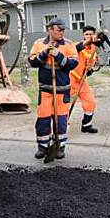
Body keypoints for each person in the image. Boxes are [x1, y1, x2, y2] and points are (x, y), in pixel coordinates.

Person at [28, 18, 78, 159]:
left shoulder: (68, 45)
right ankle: (43, 146)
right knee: (43, 119)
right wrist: (44, 53)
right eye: (59, 30)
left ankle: (60, 146)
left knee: (61, 120)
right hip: (45, 90)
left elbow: (72, 64)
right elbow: (33, 62)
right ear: (50, 29)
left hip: (62, 90)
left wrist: (58, 55)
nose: (62, 32)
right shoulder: (39, 44)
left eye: (63, 30)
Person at [70, 25, 99, 134]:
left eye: (91, 34)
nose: (89, 36)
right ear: (83, 36)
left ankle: (86, 125)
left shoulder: (94, 50)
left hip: (81, 81)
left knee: (90, 102)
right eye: (86, 34)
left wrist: (90, 70)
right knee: (63, 105)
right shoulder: (77, 45)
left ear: (94, 35)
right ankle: (60, 128)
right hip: (70, 78)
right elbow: (75, 50)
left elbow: (90, 66)